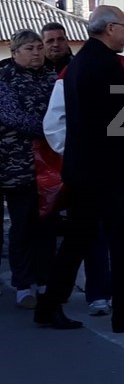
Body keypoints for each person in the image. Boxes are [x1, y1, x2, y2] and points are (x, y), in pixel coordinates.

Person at [34, 5, 124, 333]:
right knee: (123, 241)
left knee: (77, 239)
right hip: (110, 171)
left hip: (83, 170)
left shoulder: (78, 64)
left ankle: (48, 306)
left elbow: (67, 122)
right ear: (109, 28)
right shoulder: (109, 64)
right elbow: (123, 119)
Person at [0, 30, 57, 309]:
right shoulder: (4, 78)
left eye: (38, 47)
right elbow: (13, 116)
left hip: (51, 165)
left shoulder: (52, 77)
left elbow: (64, 110)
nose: (36, 53)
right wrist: (54, 129)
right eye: (29, 49)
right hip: (17, 166)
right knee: (22, 226)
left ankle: (45, 280)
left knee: (47, 224)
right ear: (15, 53)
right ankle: (23, 285)